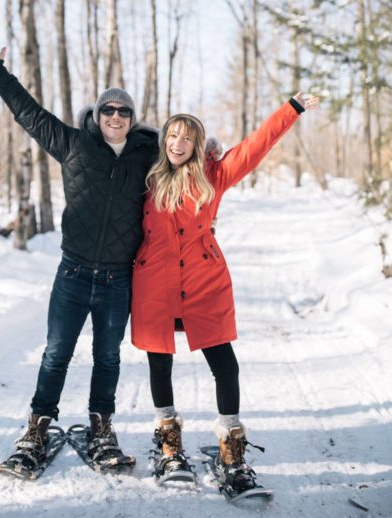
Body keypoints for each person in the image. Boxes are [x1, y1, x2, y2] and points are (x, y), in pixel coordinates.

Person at [0, 32, 159, 473]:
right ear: (97, 114)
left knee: (108, 357)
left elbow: (185, 156)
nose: (116, 115)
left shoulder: (147, 157)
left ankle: (101, 425)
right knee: (56, 353)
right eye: (108, 109)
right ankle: (37, 425)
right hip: (73, 274)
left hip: (118, 279)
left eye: (124, 110)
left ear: (132, 119)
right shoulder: (73, 144)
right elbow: (27, 112)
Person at [130, 93, 320, 490]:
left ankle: (230, 448)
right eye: (172, 137)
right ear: (164, 140)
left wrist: (292, 108)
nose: (177, 144)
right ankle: (169, 445)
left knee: (225, 364)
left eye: (186, 139)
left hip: (203, 283)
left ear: (198, 145)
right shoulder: (147, 177)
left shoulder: (213, 176)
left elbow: (255, 147)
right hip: (155, 285)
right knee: (159, 364)